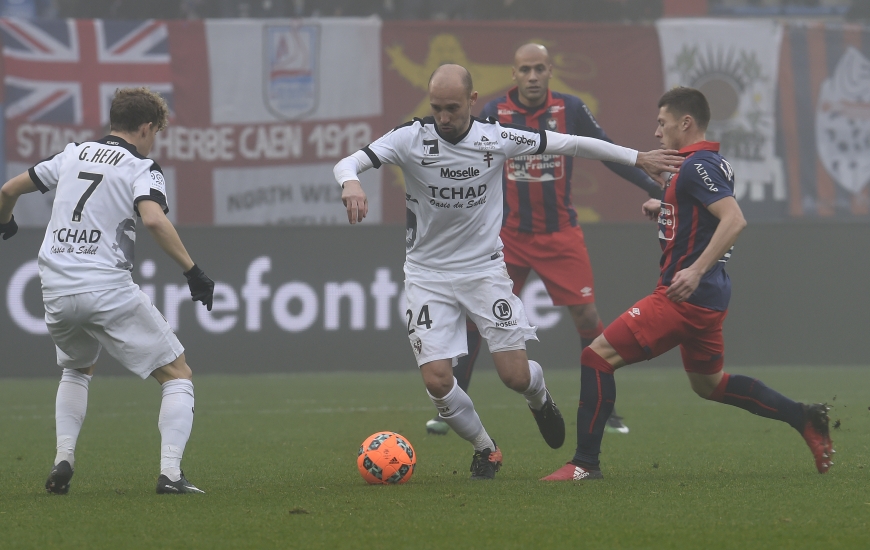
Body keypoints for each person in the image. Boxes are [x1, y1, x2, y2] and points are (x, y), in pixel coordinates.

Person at [334, 64, 682, 480]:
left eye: (452, 108)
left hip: (484, 272)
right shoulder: (409, 138)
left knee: (515, 376)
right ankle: (486, 448)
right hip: (427, 276)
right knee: (438, 381)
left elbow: (570, 144)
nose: (443, 118)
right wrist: (351, 183)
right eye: (437, 108)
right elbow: (348, 162)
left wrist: (638, 157)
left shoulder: (496, 137)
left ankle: (539, 396)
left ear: (473, 101)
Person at [542, 87, 834, 481]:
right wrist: (664, 206)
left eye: (662, 123)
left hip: (685, 297)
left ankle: (583, 464)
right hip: (709, 298)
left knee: (597, 357)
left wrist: (694, 270)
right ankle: (803, 416)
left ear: (686, 123)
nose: (657, 132)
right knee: (709, 384)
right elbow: (703, 213)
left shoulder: (697, 167)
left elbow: (733, 219)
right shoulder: (706, 163)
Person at [425, 43, 661, 437]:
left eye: (539, 68)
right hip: (509, 237)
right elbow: (461, 155)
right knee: (476, 318)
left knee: (586, 316)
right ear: (514, 74)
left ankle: (608, 408)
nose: (532, 76)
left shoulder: (570, 107)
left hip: (560, 234)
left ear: (550, 70)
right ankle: (450, 409)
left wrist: (649, 183)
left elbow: (602, 149)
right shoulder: (493, 112)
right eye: (524, 69)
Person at [0, 87, 215, 495]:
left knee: (77, 368)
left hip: (56, 286)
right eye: (157, 131)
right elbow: (152, 219)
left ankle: (64, 457)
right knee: (177, 373)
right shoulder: (142, 166)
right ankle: (170, 474)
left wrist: (5, 221)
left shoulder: (71, 154)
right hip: (105, 286)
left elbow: (8, 190)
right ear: (148, 127)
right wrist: (192, 270)